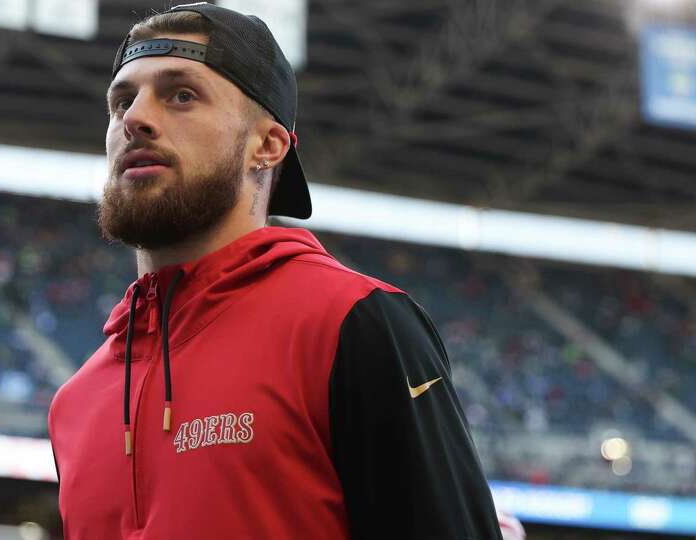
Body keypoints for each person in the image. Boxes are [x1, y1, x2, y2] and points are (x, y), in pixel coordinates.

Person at [48, 3, 501, 538]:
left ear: (267, 145)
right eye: (122, 100)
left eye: (182, 95)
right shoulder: (76, 402)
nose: (135, 119)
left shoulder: (354, 325)